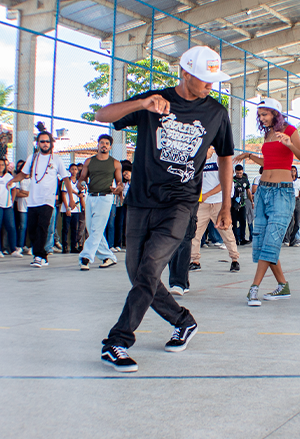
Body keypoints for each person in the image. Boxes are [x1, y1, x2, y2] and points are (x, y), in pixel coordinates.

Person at [95, 45, 234, 372]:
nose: (210, 85)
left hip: (180, 203)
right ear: (184, 73)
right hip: (141, 201)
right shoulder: (154, 100)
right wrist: (141, 104)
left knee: (149, 269)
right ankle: (182, 321)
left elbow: (226, 157)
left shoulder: (216, 112)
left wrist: (226, 204)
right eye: (204, 79)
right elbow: (102, 115)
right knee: (137, 272)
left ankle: (118, 340)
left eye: (213, 80)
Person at [234, 97, 300, 306]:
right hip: (263, 191)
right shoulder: (267, 134)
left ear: (276, 113)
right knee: (262, 241)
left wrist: (289, 144)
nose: (261, 118)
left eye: (264, 114)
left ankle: (254, 288)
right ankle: (282, 285)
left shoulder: (290, 131)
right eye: (259, 115)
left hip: (282, 192)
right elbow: (269, 162)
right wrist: (250, 156)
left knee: (272, 240)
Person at [9, 131, 69, 268]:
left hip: (48, 200)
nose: (45, 144)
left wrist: (71, 198)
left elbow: (65, 178)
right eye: (42, 141)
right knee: (32, 229)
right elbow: (23, 174)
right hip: (32, 200)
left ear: (51, 143)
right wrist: (12, 181)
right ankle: (43, 256)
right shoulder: (32, 158)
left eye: (47, 141)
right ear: (38, 144)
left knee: (43, 227)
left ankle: (38, 256)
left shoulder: (57, 159)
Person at [190, 146, 240, 272]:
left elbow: (226, 181)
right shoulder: (197, 158)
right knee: (195, 232)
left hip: (218, 202)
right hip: (202, 203)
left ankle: (235, 259)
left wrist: (208, 194)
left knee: (226, 231)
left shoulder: (219, 158)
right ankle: (195, 260)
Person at [78, 133, 122, 271]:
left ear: (110, 147)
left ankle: (86, 257)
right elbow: (82, 178)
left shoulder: (115, 163)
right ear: (98, 145)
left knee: (96, 229)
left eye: (107, 143)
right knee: (92, 229)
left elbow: (120, 182)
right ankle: (108, 257)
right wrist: (80, 184)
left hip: (106, 197)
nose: (104, 145)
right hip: (90, 196)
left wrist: (118, 188)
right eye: (102, 143)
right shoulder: (89, 161)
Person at [12, 160, 30, 256]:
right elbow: (18, 193)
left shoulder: (33, 179)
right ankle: (19, 246)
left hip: (31, 205)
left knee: (31, 226)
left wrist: (24, 192)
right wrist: (28, 193)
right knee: (22, 226)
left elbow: (34, 193)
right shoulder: (19, 180)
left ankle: (31, 246)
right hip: (22, 206)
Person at [284, 165, 300, 247]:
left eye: (294, 171)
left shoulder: (299, 181)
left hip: (297, 200)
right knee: (291, 221)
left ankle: (293, 239)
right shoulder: (286, 180)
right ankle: (287, 239)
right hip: (289, 200)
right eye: (291, 170)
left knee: (297, 222)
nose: (293, 172)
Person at [231, 164, 251, 245]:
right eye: (237, 173)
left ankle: (242, 238)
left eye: (240, 173)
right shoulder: (232, 180)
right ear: (235, 172)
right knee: (234, 222)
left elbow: (248, 191)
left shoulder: (245, 180)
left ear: (242, 171)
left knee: (243, 221)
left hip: (242, 204)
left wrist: (252, 202)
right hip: (234, 204)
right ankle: (235, 239)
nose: (239, 174)